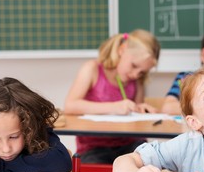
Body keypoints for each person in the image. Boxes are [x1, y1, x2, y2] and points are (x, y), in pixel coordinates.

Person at [64, 29, 161, 164]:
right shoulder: (92, 69)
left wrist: (140, 108)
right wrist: (114, 107)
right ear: (122, 49)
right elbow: (70, 106)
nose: (135, 74)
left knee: (149, 163)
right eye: (134, 66)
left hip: (130, 144)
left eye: (142, 72)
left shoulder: (136, 80)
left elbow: (135, 114)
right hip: (94, 148)